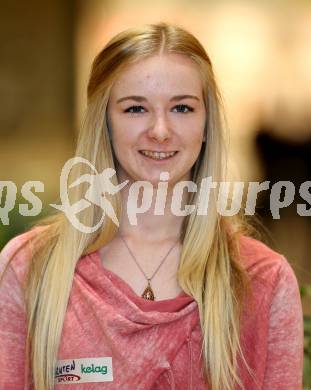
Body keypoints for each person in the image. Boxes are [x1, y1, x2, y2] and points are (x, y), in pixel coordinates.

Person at [0, 22, 303, 390]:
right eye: (135, 109)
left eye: (181, 108)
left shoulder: (263, 281)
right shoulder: (31, 269)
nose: (160, 130)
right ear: (105, 123)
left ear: (206, 123)